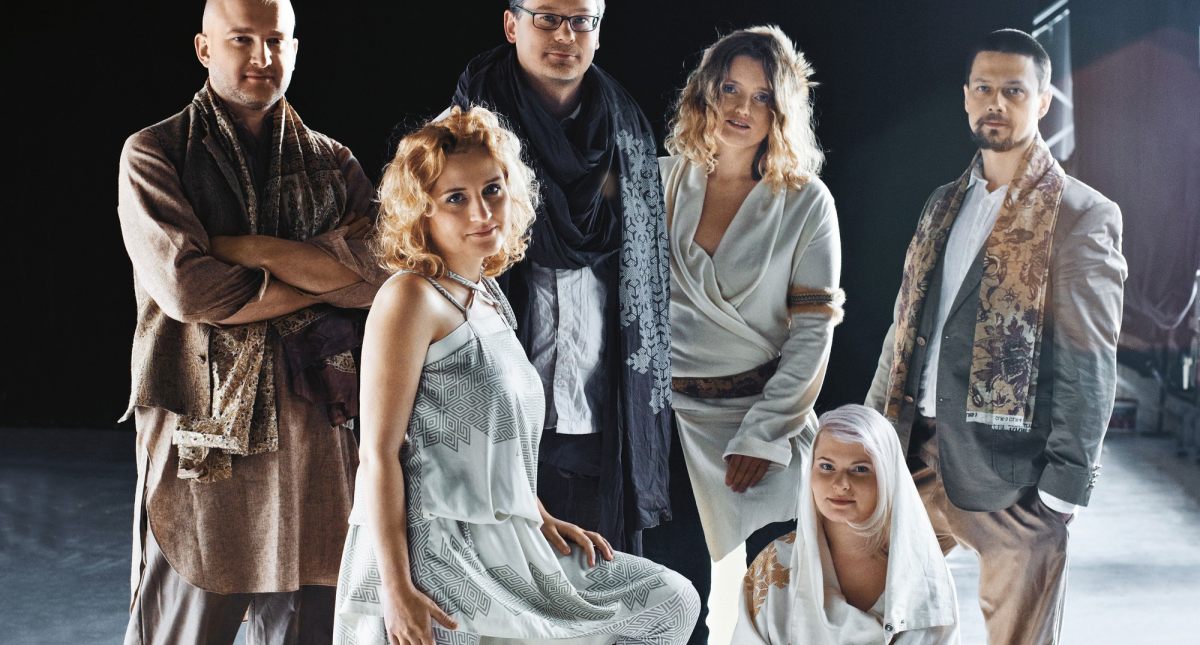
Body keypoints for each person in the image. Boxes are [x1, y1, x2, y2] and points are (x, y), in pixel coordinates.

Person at [333, 106, 698, 645]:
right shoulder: (409, 297)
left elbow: (497, 444)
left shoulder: (488, 296)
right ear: (422, 210)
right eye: (456, 198)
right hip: (434, 551)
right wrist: (395, 588)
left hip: (507, 543)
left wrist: (538, 515)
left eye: (493, 190)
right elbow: (378, 454)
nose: (482, 212)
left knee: (671, 600)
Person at [116, 0, 387, 643]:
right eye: (242, 39)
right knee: (181, 622)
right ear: (204, 48)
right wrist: (325, 277)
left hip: (317, 424)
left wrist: (251, 249)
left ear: (294, 47)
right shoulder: (156, 154)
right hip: (201, 425)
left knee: (311, 618)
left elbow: (383, 277)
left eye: (276, 40)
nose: (263, 57)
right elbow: (191, 291)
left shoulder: (333, 162)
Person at [865, 28, 1127, 644]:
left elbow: (1089, 362)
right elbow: (904, 329)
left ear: (1043, 101)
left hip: (1014, 477)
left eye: (1014, 91)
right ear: (965, 97)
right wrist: (874, 434)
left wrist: (1061, 495)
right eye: (984, 88)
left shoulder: (1082, 215)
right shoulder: (941, 204)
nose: (996, 103)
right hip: (916, 455)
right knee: (877, 624)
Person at [447, 0, 673, 554]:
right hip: (491, 421)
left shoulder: (626, 129)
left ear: (598, 29)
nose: (565, 35)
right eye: (547, 18)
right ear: (512, 24)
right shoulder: (456, 139)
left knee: (604, 595)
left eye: (581, 20)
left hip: (600, 419)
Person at [641, 26, 842, 643]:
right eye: (730, 89)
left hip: (760, 417)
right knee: (673, 605)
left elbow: (812, 333)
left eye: (762, 97)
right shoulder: (658, 180)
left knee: (775, 608)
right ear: (705, 92)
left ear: (783, 109)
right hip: (666, 425)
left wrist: (766, 433)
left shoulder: (806, 201)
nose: (741, 108)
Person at [733, 405, 959, 644]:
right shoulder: (777, 563)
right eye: (826, 466)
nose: (841, 483)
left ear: (888, 476)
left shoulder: (924, 574)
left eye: (860, 469)